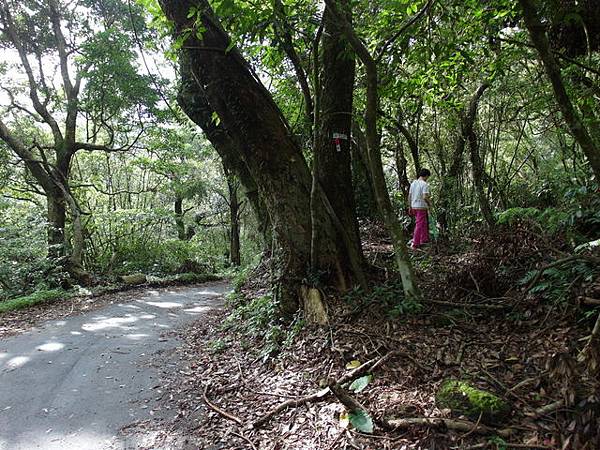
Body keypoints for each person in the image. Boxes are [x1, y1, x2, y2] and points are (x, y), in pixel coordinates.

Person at [408, 168, 432, 249]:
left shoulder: (413, 183)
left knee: (423, 223)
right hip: (421, 207)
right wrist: (430, 204)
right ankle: (415, 243)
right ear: (426, 176)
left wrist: (409, 206)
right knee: (419, 224)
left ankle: (424, 239)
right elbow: (425, 197)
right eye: (427, 177)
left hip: (414, 206)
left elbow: (410, 196)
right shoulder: (424, 184)